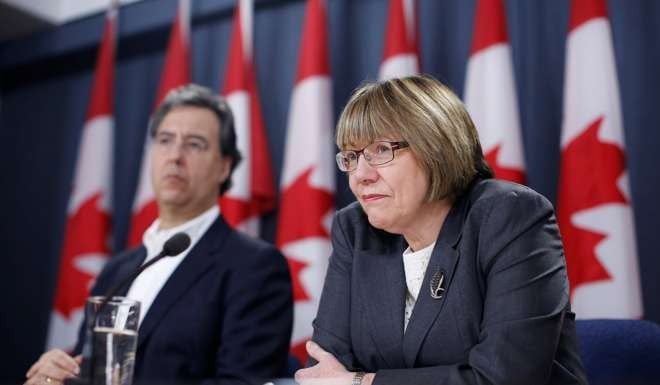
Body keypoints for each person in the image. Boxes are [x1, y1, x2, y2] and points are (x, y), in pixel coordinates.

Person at [295, 75, 588, 385]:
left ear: (436, 147)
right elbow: (323, 372)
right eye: (351, 157)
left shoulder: (510, 216)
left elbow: (504, 379)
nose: (361, 175)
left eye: (381, 150)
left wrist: (362, 382)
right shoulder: (355, 230)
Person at [25, 84, 293, 385]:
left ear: (224, 167)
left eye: (194, 144)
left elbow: (241, 382)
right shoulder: (116, 271)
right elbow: (92, 371)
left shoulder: (254, 267)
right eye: (165, 140)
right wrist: (59, 374)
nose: (175, 156)